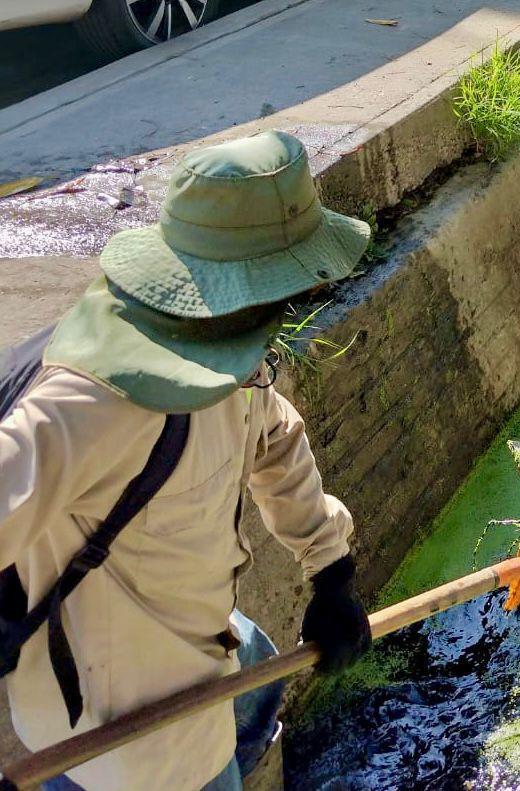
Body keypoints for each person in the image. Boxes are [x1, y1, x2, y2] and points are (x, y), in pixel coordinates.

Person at [0, 131, 375, 790]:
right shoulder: (89, 404)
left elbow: (273, 433)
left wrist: (330, 570)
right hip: (132, 742)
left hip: (202, 634)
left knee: (256, 672)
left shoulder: (225, 347)